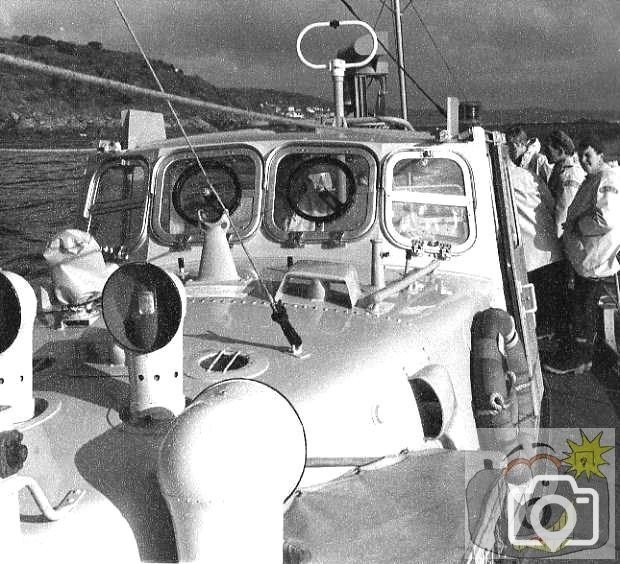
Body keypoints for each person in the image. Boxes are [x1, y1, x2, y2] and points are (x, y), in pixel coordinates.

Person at [543, 136, 620, 374]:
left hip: (595, 261)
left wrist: (577, 226)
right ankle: (585, 356)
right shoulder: (595, 178)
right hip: (587, 259)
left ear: (601, 155)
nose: (584, 160)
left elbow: (605, 218)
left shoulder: (608, 179)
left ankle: (580, 358)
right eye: (581, 155)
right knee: (583, 312)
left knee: (583, 313)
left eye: (589, 155)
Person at [507, 158, 564, 337]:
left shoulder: (502, 178)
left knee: (537, 301)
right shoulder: (529, 175)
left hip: (529, 250)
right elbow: (550, 202)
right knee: (551, 299)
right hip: (548, 244)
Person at [543, 130, 585, 237]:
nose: (544, 153)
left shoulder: (568, 175)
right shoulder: (561, 169)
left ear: (561, 151)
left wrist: (557, 241)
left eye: (548, 150)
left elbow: (563, 210)